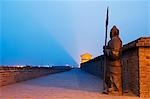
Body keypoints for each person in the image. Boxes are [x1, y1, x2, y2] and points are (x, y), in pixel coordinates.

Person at [103, 25, 123, 95]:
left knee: (115, 79)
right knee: (109, 77)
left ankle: (115, 90)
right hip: (111, 65)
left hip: (114, 64)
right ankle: (111, 88)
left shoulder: (116, 40)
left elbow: (115, 54)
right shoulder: (112, 41)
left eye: (111, 32)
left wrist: (106, 51)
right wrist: (106, 48)